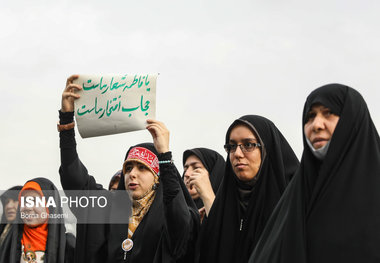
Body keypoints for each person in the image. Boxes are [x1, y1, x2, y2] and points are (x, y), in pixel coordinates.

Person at [58, 75, 199, 262]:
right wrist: (67, 121)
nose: (132, 174)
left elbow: (180, 224)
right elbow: (74, 179)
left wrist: (165, 156)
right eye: (128, 167)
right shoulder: (109, 208)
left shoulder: (168, 215)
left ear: (158, 176)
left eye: (142, 168)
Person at [249, 84, 380, 263]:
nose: (316, 125)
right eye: (310, 117)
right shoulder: (296, 198)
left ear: (352, 120)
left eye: (329, 113)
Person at [198, 115, 299, 263]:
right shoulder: (223, 208)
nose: (237, 154)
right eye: (232, 146)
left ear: (267, 148)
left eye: (249, 145)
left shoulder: (294, 204)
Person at [0, 178, 75, 263]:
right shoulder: (10, 241)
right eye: (24, 202)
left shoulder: (68, 246)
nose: (27, 207)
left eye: (35, 201)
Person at [182, 148, 225, 222]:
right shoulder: (175, 211)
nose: (186, 174)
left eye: (196, 168)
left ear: (213, 174)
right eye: (185, 169)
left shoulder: (232, 208)